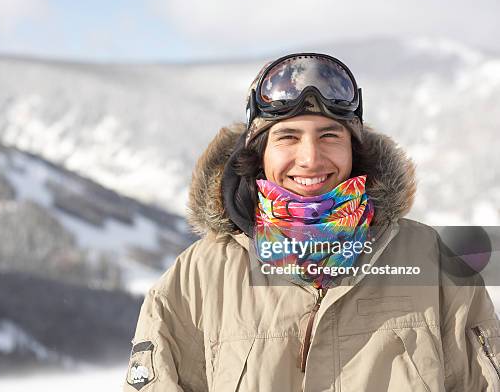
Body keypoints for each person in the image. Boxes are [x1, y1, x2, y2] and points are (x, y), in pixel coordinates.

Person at [123, 53, 500, 391]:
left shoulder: (435, 265)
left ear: (354, 149)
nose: (310, 158)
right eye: (287, 136)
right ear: (259, 154)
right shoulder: (198, 279)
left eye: (330, 135)